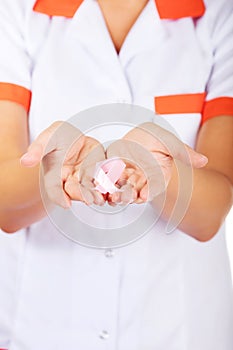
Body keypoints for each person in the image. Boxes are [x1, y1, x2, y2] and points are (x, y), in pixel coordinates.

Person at [0, 0, 232, 349]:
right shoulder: (16, 11)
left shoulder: (219, 15)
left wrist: (164, 173)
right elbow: (5, 206)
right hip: (41, 325)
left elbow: (210, 215)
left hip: (177, 330)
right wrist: (51, 172)